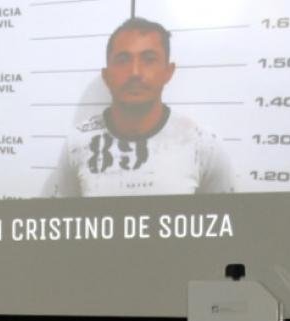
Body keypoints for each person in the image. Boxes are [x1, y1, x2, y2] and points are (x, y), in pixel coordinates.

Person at [58, 17, 234, 197]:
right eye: (123, 60)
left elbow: (226, 214)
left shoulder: (203, 145)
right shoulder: (77, 144)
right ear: (107, 75)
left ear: (168, 72)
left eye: (149, 59)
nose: (135, 72)